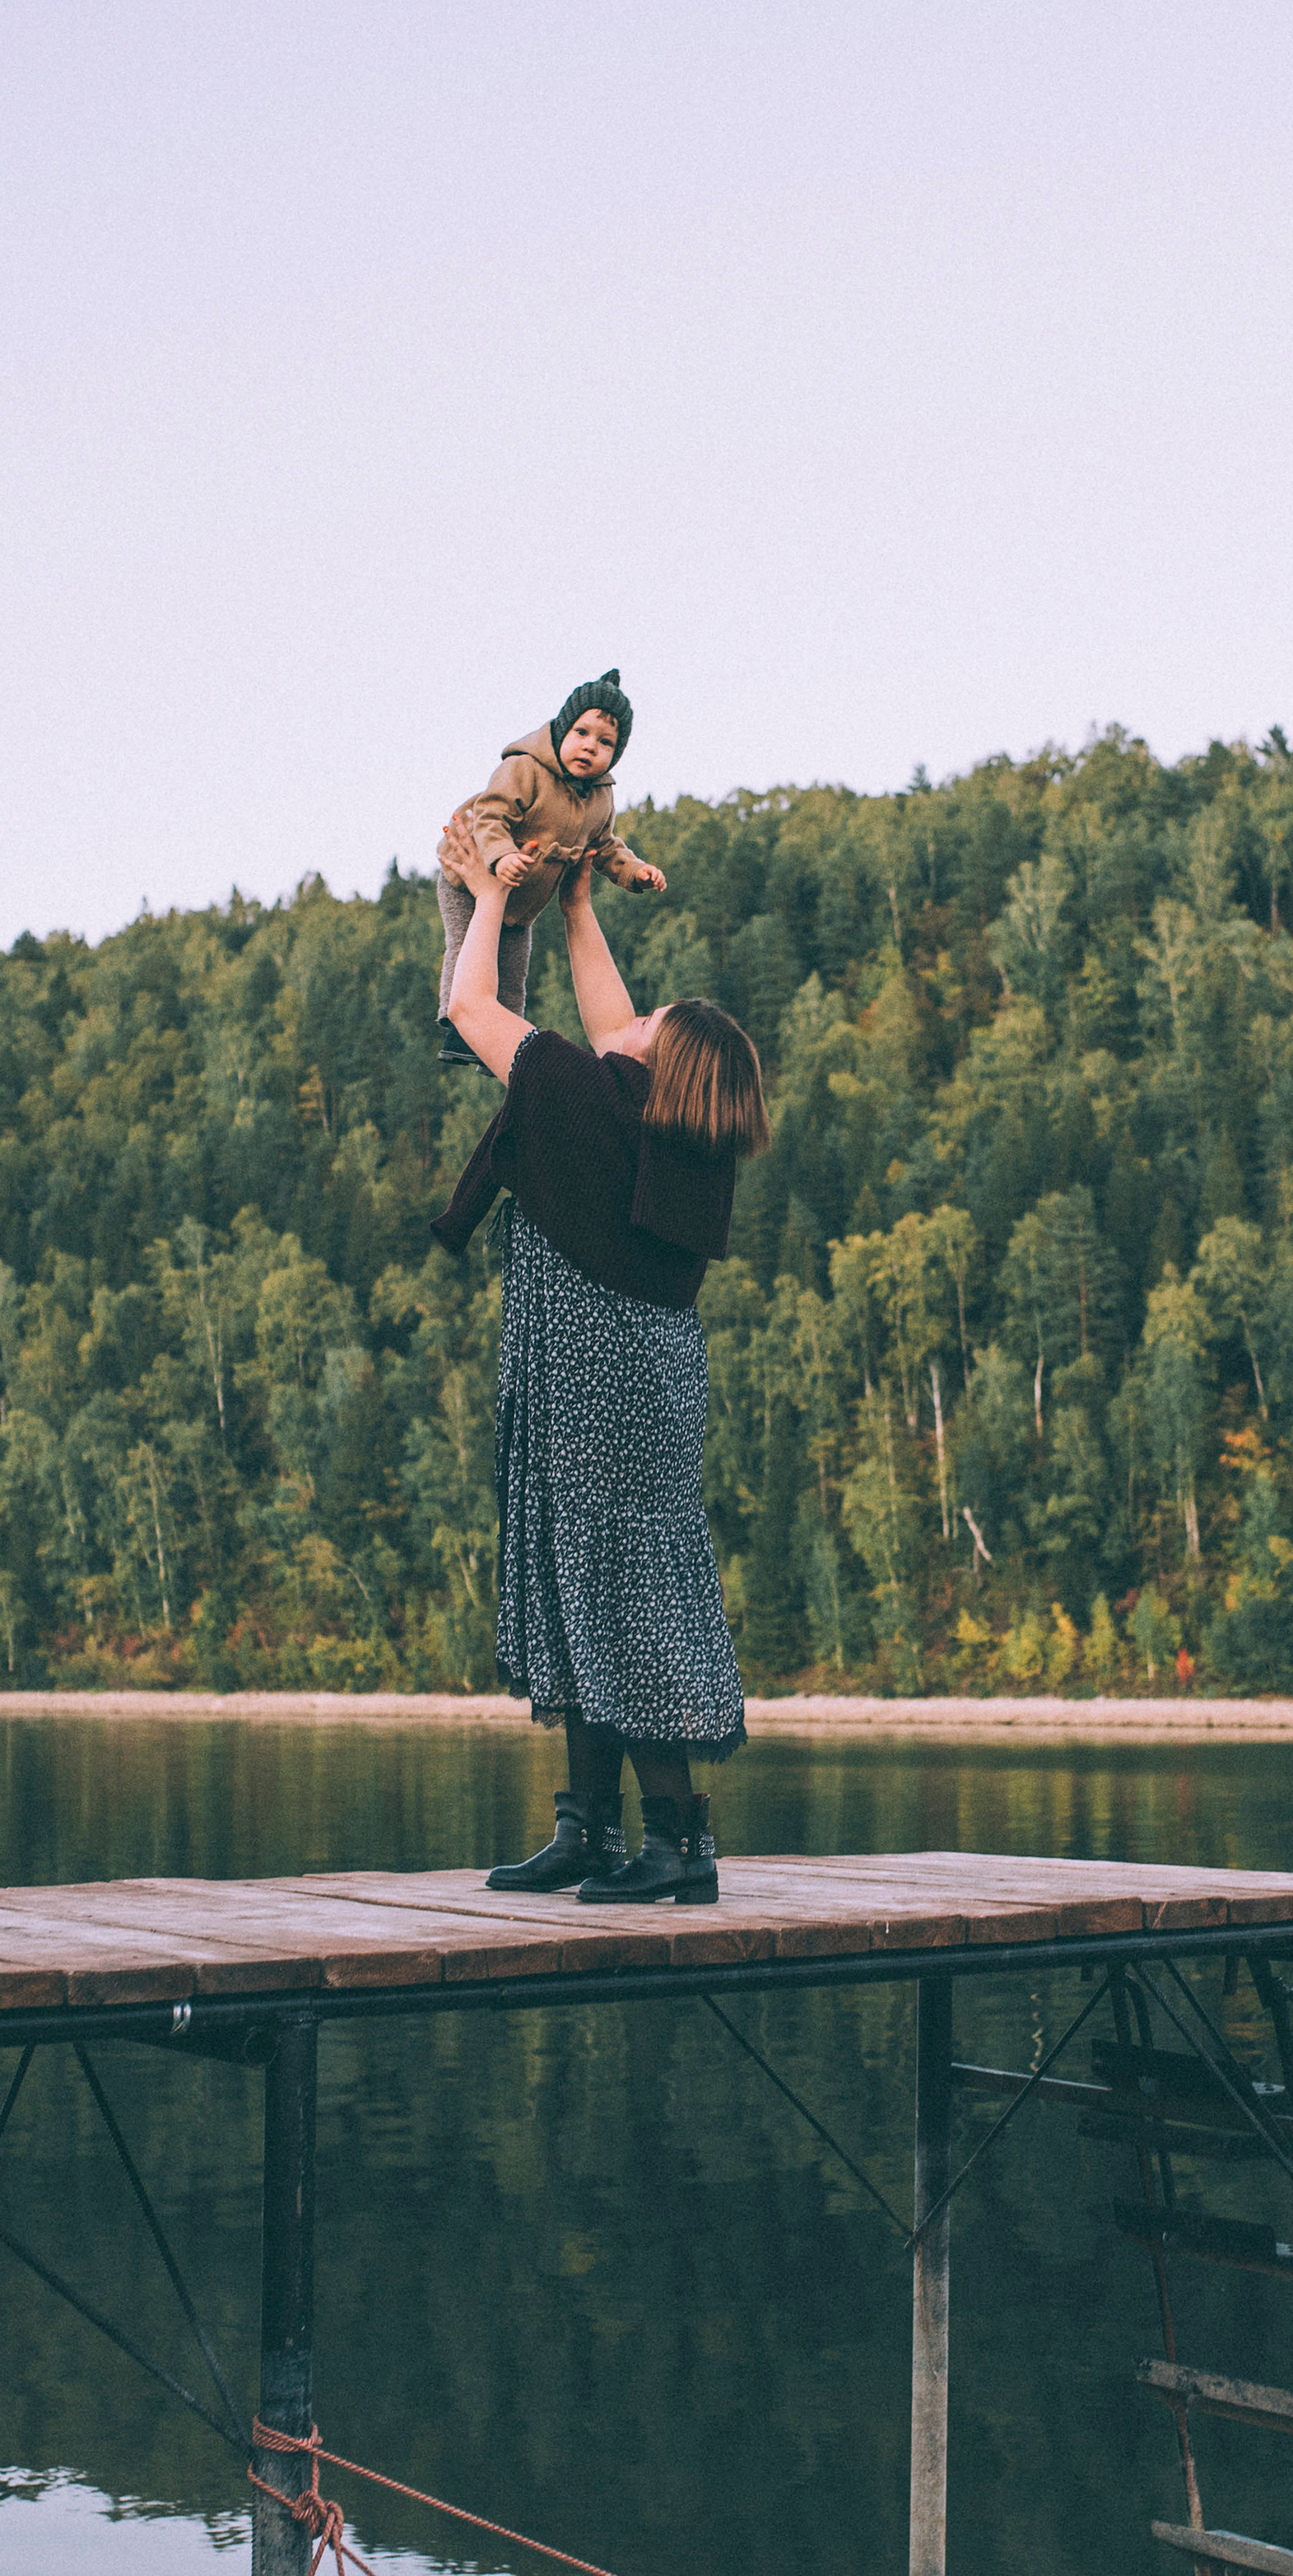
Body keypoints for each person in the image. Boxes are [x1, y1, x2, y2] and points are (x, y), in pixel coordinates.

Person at [430, 810, 769, 1904]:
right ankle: (602, 1831)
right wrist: (575, 906)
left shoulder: (587, 1104)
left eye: (651, 1019)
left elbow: (471, 1004)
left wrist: (489, 894)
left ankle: (670, 1841)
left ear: (656, 1062)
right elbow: (615, 1019)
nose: (626, 1017)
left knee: (607, 1589)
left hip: (594, 1383)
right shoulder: (674, 1138)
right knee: (606, 1583)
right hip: (653, 1386)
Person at [435, 668, 667, 1065]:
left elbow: (606, 847)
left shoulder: (599, 800)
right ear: (561, 731)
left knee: (513, 968)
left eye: (605, 742)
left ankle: (493, 1044)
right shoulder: (525, 770)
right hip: (471, 880)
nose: (591, 746)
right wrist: (502, 855)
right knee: (470, 947)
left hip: (522, 901)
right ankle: (459, 1032)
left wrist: (634, 871)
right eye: (581, 732)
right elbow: (491, 814)